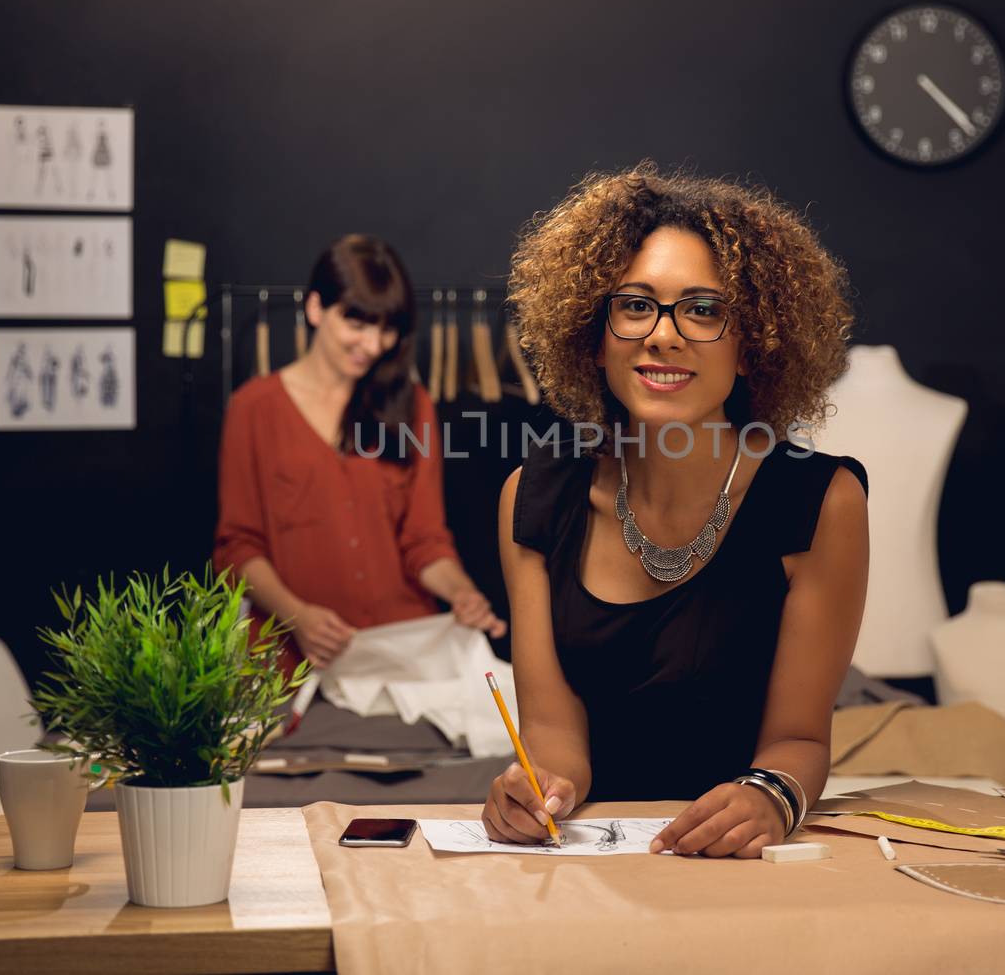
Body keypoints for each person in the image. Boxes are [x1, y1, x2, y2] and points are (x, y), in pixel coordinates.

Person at [481, 166, 869, 858]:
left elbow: (801, 738)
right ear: (593, 336)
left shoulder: (820, 504)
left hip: (738, 867)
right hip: (591, 868)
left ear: (752, 343)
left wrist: (769, 795)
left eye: (703, 309)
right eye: (635, 305)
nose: (663, 335)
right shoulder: (534, 498)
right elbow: (552, 727)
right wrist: (539, 786)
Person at [214, 235, 503, 675]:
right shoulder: (253, 409)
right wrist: (297, 616)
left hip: (400, 653)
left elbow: (424, 540)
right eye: (357, 323)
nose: (372, 344)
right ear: (315, 309)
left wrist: (462, 592)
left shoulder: (411, 405)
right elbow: (237, 548)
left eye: (387, 328)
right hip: (290, 665)